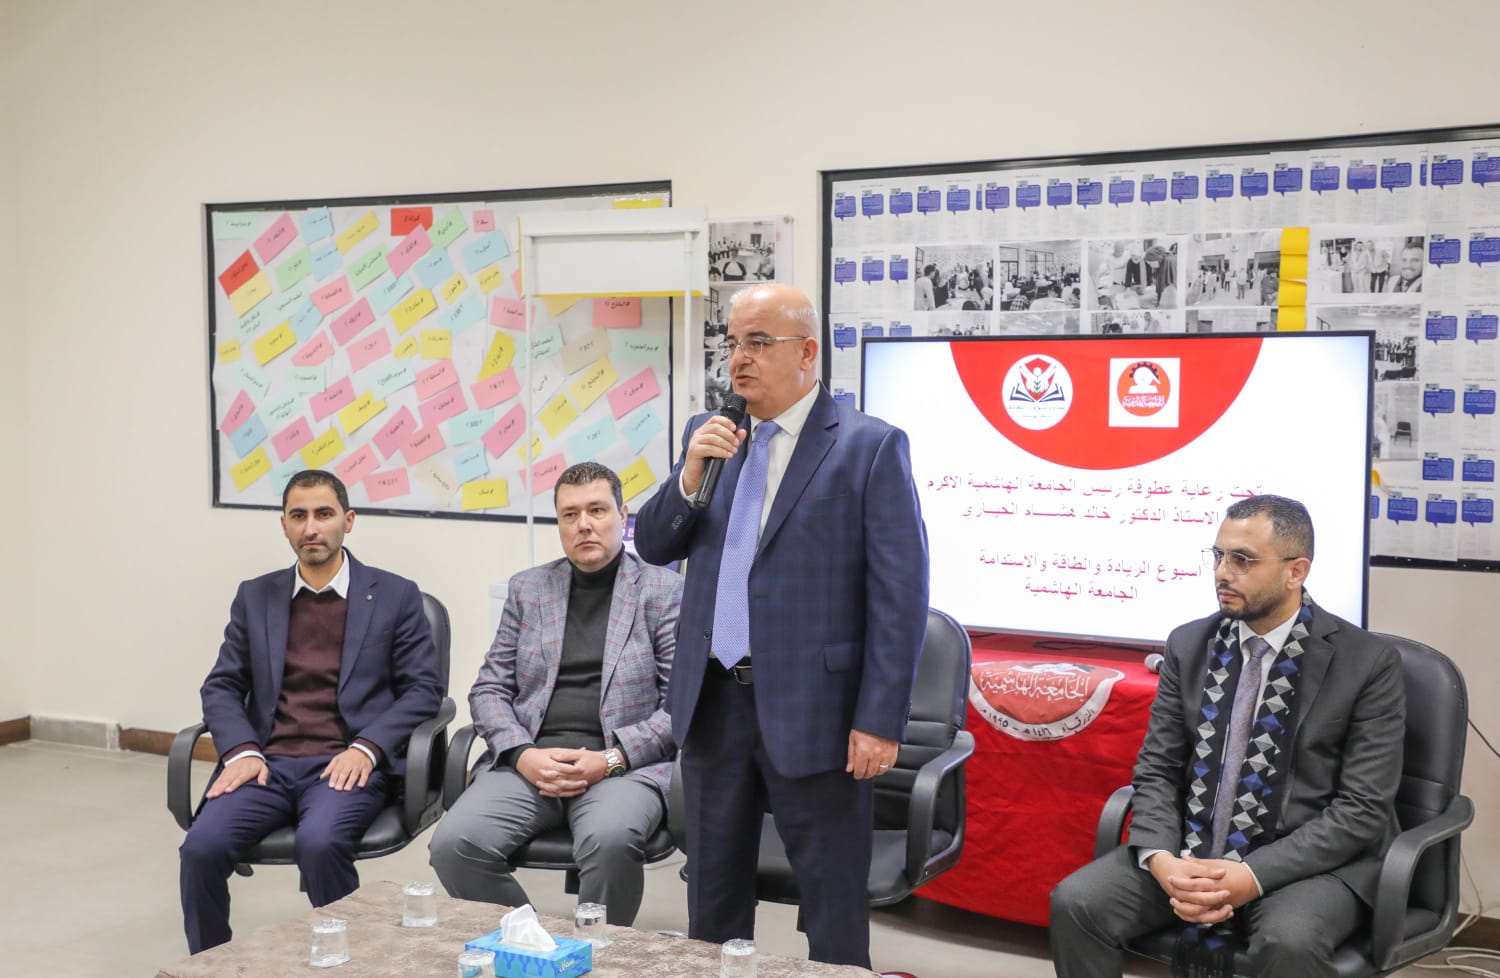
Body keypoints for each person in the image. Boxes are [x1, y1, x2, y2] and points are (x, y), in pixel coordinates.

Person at [633, 284, 929, 968]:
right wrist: (688, 477)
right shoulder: (712, 436)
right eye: (733, 342)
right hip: (714, 705)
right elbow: (653, 545)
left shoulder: (868, 447)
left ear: (807, 352)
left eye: (758, 342)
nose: (739, 358)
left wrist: (879, 720)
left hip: (819, 712)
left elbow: (900, 596)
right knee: (712, 900)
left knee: (831, 904)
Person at [1050, 495, 1404, 978]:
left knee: (1289, 941)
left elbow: (1362, 808)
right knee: (1077, 903)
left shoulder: (1367, 663)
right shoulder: (1189, 644)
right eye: (1218, 556)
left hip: (1308, 863)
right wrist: (1161, 859)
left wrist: (1251, 875)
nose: (1222, 573)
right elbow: (1157, 770)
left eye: (1243, 560)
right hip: (1189, 849)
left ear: (1295, 571)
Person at [179, 470, 443, 954]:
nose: (311, 528)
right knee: (200, 847)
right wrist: (241, 751)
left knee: (319, 843)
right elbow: (222, 685)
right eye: (298, 516)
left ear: (349, 520)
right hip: (267, 764)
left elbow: (423, 690)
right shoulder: (256, 596)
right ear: (284, 525)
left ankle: (350, 961)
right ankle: (208, 962)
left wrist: (367, 747)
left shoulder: (395, 595)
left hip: (345, 763)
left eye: (324, 514)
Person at [428, 462, 681, 926]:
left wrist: (610, 759)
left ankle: (597, 951)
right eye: (570, 514)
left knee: (610, 840)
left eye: (597, 510)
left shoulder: (664, 592)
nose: (584, 524)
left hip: (620, 767)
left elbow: (679, 706)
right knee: (454, 844)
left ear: (623, 516)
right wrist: (522, 754)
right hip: (532, 763)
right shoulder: (529, 589)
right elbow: (489, 688)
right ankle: (535, 943)